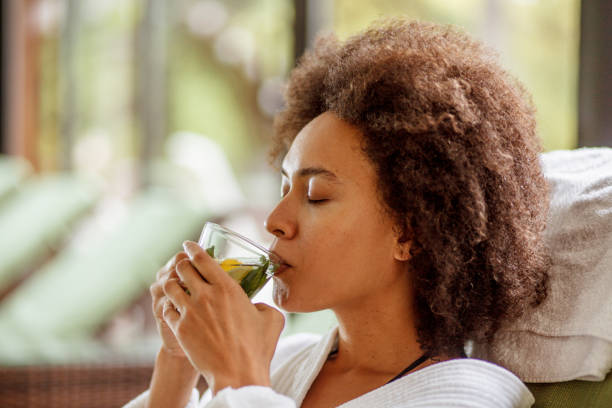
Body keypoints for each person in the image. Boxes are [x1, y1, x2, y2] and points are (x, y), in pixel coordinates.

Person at [125, 18, 550, 408]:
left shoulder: (469, 397)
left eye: (315, 194)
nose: (274, 219)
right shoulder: (281, 363)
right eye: (283, 188)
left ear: (410, 232)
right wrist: (178, 362)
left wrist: (239, 380)